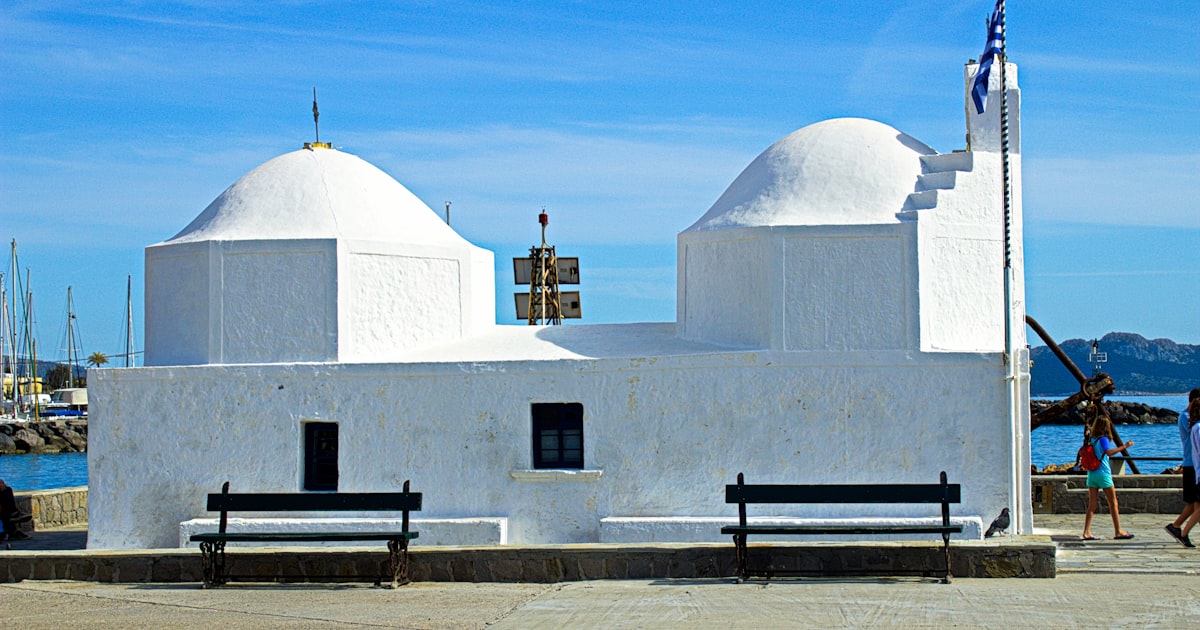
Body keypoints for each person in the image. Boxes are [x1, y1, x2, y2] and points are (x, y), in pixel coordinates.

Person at [1081, 415, 1135, 541]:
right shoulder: (1103, 439)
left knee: (1092, 504)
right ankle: (1118, 531)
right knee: (1113, 503)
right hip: (1103, 473)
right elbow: (1108, 452)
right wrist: (1125, 446)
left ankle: (1086, 532)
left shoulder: (1092, 439)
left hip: (1092, 473)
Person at [1166, 388, 1200, 547]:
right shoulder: (1187, 418)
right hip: (1192, 464)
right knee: (1195, 503)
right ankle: (1178, 528)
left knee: (1195, 503)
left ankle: (1177, 526)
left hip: (1193, 464)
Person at [1177, 393, 1200, 548]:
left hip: (1195, 468)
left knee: (1197, 504)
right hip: (1194, 467)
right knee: (1196, 504)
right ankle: (1182, 532)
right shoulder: (1196, 427)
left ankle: (1181, 530)